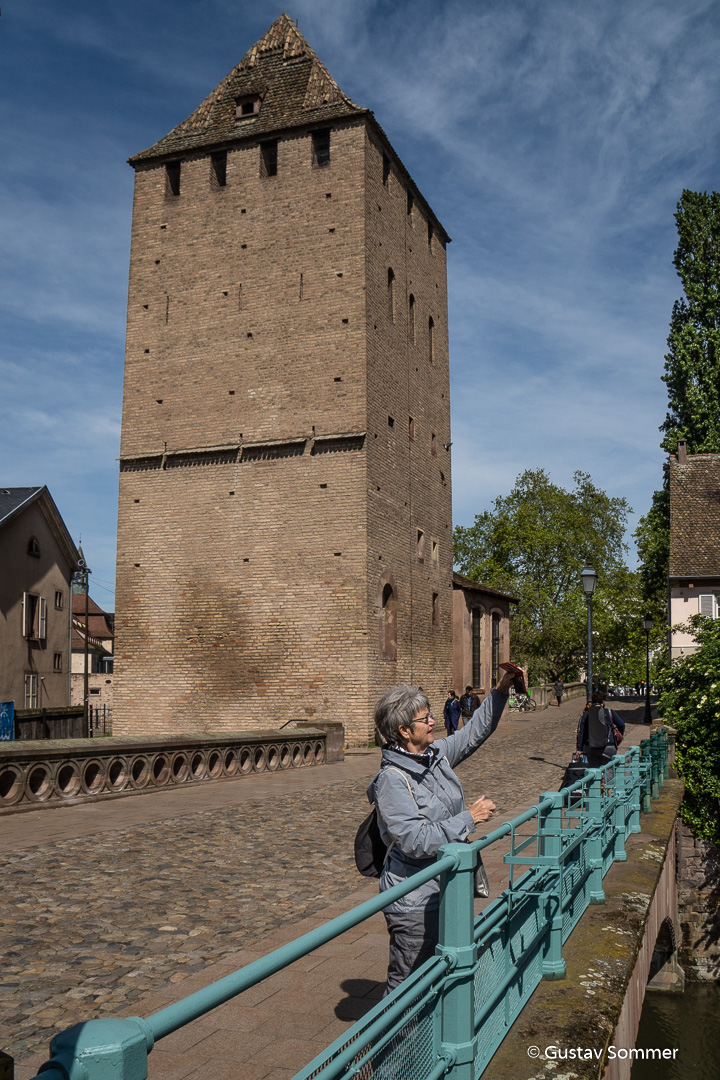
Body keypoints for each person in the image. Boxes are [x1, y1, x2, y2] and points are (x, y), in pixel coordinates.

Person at [369, 667, 518, 992]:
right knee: (408, 986)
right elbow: (414, 841)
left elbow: (473, 732)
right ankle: (396, 1042)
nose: (434, 721)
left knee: (442, 974)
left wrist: (501, 689)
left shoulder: (435, 755)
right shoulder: (393, 781)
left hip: (446, 886)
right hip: (414, 898)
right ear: (404, 731)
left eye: (432, 715)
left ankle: (434, 1037)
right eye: (426, 719)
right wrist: (469, 818)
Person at [575, 690, 626, 768]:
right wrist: (620, 734)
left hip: (591, 746)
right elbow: (621, 724)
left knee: (594, 772)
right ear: (603, 702)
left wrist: (579, 748)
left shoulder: (587, 714)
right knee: (608, 770)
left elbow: (581, 732)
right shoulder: (609, 712)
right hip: (608, 745)